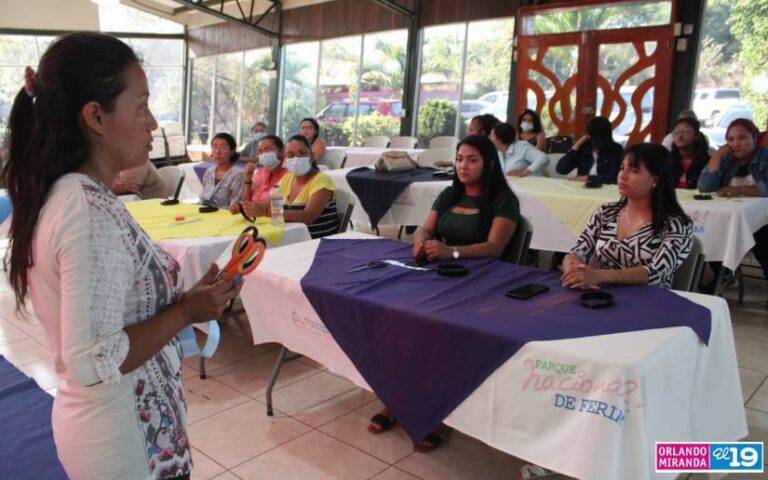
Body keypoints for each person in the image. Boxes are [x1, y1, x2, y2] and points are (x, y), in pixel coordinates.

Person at [3, 33, 241, 480]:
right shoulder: (86, 210)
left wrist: (182, 301)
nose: (152, 123)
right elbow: (94, 359)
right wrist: (186, 312)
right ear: (96, 116)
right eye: (141, 106)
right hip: (121, 443)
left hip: (118, 430)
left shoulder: (72, 196)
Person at [369, 135, 520, 451]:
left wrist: (452, 252)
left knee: (437, 330)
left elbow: (495, 248)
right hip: (441, 275)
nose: (463, 166)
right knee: (398, 317)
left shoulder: (503, 200)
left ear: (489, 164)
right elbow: (425, 229)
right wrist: (420, 242)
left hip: (483, 283)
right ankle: (398, 398)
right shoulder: (450, 194)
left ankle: (440, 412)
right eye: (460, 159)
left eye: (472, 160)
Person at [561, 143, 693, 289]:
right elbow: (578, 251)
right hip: (601, 294)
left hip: (650, 298)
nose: (622, 176)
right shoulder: (606, 213)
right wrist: (573, 269)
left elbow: (656, 272)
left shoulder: (676, 224)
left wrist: (599, 276)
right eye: (622, 168)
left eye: (634, 171)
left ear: (655, 180)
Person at [698, 118, 768, 280]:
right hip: (730, 218)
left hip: (761, 218)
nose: (736, 144)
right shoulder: (727, 160)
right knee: (710, 229)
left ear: (754, 138)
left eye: (742, 138)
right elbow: (705, 187)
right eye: (730, 139)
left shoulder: (765, 157)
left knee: (762, 237)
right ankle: (723, 275)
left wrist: (739, 189)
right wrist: (717, 155)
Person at [249, 135, 338, 237]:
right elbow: (267, 203)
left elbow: (308, 217)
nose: (296, 158)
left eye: (302, 153)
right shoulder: (288, 178)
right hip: (291, 236)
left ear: (312, 156)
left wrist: (266, 212)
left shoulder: (322, 181)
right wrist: (247, 208)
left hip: (315, 241)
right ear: (285, 158)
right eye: (290, 155)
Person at [228, 135, 288, 218]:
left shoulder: (289, 175)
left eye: (267, 149)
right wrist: (248, 180)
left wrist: (259, 209)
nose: (263, 154)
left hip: (275, 220)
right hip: (255, 219)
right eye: (260, 151)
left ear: (281, 151)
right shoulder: (259, 173)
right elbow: (246, 202)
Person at [555, 116, 624, 184]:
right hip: (582, 188)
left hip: (605, 189)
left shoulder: (616, 149)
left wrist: (586, 178)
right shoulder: (584, 148)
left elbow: (613, 177)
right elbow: (561, 169)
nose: (598, 145)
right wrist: (576, 145)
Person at [200, 132, 245, 208]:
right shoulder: (209, 172)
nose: (217, 151)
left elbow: (235, 205)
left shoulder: (238, 175)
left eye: (223, 147)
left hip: (225, 213)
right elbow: (203, 197)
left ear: (232, 151)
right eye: (214, 146)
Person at [669, 117, 709, 189]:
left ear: (696, 136)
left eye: (686, 131)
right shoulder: (668, 159)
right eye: (676, 132)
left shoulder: (706, 161)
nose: (680, 135)